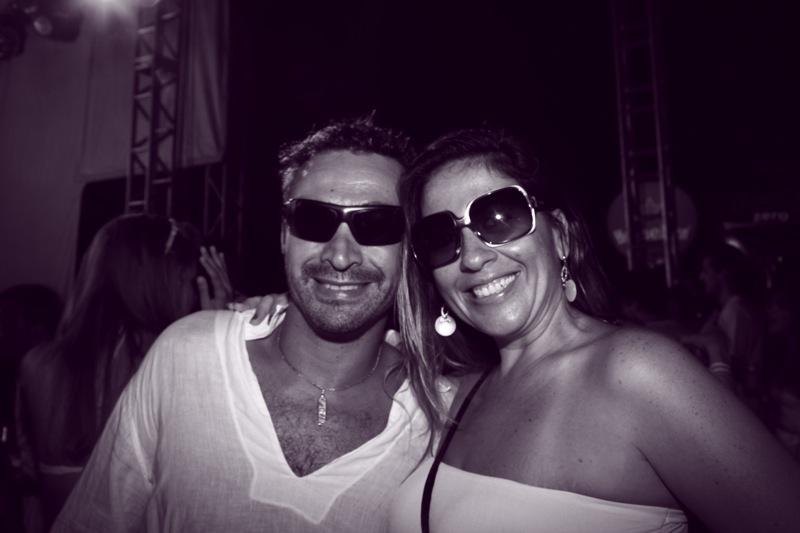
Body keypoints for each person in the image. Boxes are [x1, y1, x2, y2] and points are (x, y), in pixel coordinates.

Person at [387, 127, 800, 533]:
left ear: (561, 236)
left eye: (499, 218)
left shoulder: (637, 372)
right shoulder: (460, 394)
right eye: (440, 237)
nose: (473, 258)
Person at [53, 117, 448, 532]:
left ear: (409, 247)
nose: (340, 255)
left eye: (377, 225)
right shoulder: (188, 354)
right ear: (284, 235)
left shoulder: (438, 417)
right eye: (314, 220)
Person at [16, 214, 232, 530]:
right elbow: (216, 475)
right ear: (160, 283)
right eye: (186, 280)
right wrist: (218, 340)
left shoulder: (37, 363)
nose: (191, 294)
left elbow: (32, 490)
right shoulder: (166, 362)